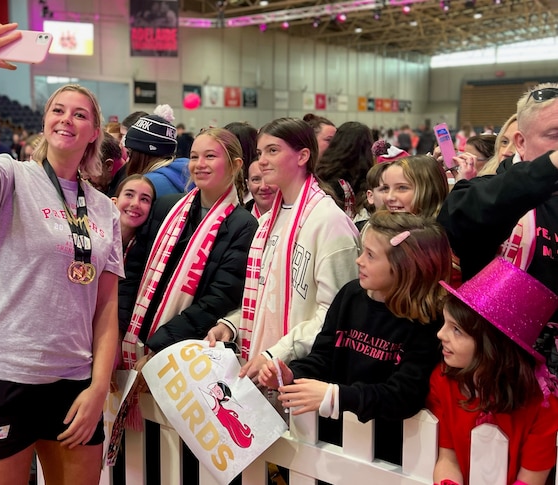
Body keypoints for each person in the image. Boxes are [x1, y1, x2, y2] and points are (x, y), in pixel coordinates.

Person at [0, 22, 122, 485]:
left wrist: (98, 385)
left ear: (94, 132)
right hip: (0, 372)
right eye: (58, 110)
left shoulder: (104, 210)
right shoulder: (13, 177)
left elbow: (105, 308)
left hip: (71, 380)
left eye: (80, 114)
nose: (67, 118)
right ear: (45, 122)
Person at [259, 211, 450, 465]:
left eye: (370, 255)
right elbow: (323, 357)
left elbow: (404, 395)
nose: (359, 261)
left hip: (388, 455)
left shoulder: (427, 322)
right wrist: (293, 374)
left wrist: (337, 396)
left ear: (403, 266)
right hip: (331, 443)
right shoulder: (350, 294)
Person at [206, 118, 360, 374]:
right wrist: (233, 325)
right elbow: (266, 298)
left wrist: (278, 352)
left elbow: (335, 315)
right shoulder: (269, 220)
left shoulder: (330, 222)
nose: (262, 160)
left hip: (302, 372)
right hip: (265, 363)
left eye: (273, 150)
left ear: (302, 156)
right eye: (259, 152)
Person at [438, 83, 558, 373]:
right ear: (520, 142)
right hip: (486, 364)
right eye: (554, 136)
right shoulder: (483, 190)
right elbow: (455, 222)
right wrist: (551, 167)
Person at [119, 127, 258, 370]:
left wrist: (158, 349)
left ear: (235, 165)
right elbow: (133, 272)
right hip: (132, 340)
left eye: (210, 156)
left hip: (182, 352)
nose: (199, 164)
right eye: (194, 156)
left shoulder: (243, 226)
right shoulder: (166, 207)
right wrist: (117, 332)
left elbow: (219, 299)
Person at [428, 257, 558, 485]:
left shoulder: (543, 407)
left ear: (492, 347)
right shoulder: (443, 380)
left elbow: (531, 480)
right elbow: (448, 459)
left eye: (456, 330)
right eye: (445, 323)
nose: (440, 334)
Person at [123, 112, 186, 197]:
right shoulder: (187, 173)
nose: (127, 160)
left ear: (143, 155)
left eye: (129, 154)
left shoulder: (147, 185)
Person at [381, 155, 448, 218]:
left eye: (402, 188)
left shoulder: (446, 228)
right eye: (386, 188)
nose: (389, 197)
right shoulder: (375, 227)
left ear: (430, 191)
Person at [110, 174, 154, 260]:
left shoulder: (147, 251)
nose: (135, 204)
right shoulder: (92, 236)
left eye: (144, 199)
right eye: (129, 195)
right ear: (114, 202)